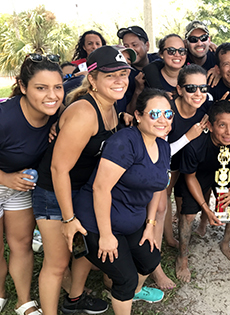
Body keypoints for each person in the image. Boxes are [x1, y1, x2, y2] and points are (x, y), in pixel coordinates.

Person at [33, 46, 131, 314]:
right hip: (54, 193)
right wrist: (68, 218)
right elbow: (58, 169)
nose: (120, 81)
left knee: (84, 249)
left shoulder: (113, 104)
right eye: (111, 75)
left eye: (123, 74)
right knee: (57, 263)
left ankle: (74, 299)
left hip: (82, 191)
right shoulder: (85, 113)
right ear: (93, 79)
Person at [73, 88, 172, 315]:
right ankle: (123, 290)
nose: (163, 119)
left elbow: (159, 187)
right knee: (126, 278)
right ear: (138, 115)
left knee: (150, 259)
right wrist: (106, 236)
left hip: (132, 222)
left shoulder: (163, 146)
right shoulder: (124, 142)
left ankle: (123, 292)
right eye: (155, 113)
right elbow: (100, 188)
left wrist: (150, 225)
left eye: (168, 114)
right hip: (97, 224)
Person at [0, 53, 63, 315]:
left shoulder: (60, 112)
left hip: (22, 185)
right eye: (41, 88)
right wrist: (5, 178)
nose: (52, 95)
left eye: (57, 87)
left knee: (21, 243)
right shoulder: (4, 117)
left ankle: (23, 300)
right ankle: (0, 291)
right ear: (23, 87)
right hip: (5, 178)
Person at [154, 64, 211, 289]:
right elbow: (160, 152)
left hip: (185, 165)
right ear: (179, 89)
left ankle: (170, 238)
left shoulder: (205, 107)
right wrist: (189, 136)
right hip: (163, 165)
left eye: (202, 88)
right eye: (191, 88)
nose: (198, 93)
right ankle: (157, 254)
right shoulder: (168, 112)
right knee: (160, 207)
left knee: (174, 203)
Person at [177, 100, 230, 282]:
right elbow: (190, 177)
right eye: (222, 125)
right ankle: (182, 256)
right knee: (188, 215)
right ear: (210, 125)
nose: (228, 131)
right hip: (198, 173)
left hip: (224, 170)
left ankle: (225, 243)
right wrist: (206, 208)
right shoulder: (195, 145)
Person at [117, 25, 160, 114]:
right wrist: (138, 89)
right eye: (126, 46)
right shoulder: (123, 74)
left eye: (134, 45)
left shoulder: (159, 62)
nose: (131, 49)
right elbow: (128, 113)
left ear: (147, 46)